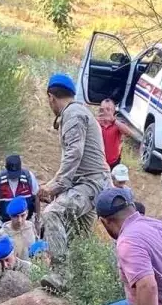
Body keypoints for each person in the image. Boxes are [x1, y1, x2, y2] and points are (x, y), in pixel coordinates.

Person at [37, 73, 110, 264]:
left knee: (52, 213)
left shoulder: (73, 114)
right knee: (80, 242)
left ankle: (59, 273)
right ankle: (80, 282)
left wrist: (56, 185)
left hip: (89, 184)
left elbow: (74, 154)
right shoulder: (79, 111)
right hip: (93, 184)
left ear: (51, 97)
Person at [0, 154, 40, 237]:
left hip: (26, 224)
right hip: (5, 225)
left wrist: (37, 222)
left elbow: (36, 199)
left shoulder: (28, 177)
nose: (14, 176)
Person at [97, 97, 125, 169]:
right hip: (97, 162)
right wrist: (96, 121)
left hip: (113, 163)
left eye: (108, 109)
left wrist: (113, 120)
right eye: (103, 109)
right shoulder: (96, 123)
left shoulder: (117, 124)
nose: (105, 112)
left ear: (113, 111)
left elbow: (129, 133)